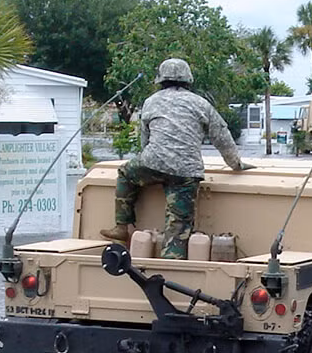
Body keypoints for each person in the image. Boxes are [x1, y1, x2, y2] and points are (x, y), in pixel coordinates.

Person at [99, 58, 255, 258]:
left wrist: (150, 163)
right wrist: (236, 165)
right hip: (186, 172)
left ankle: (122, 226)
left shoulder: (151, 101)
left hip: (152, 163)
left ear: (160, 80)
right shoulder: (201, 104)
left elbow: (144, 141)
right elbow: (222, 137)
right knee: (178, 225)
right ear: (188, 80)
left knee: (125, 173)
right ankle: (171, 263)